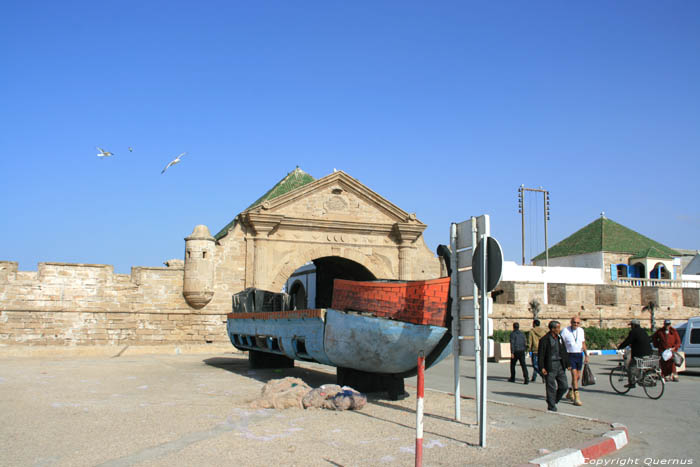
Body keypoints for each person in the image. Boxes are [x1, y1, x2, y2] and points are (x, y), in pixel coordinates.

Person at [538, 320, 571, 412]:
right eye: (557, 328)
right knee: (551, 387)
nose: (559, 330)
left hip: (560, 365)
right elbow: (541, 355)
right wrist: (542, 367)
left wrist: (568, 363)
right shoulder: (544, 340)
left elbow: (564, 351)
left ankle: (553, 400)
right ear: (552, 329)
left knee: (564, 386)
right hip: (550, 365)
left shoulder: (560, 338)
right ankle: (551, 406)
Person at [560, 317, 588, 406]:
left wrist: (586, 355)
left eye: (577, 323)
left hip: (579, 355)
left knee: (578, 376)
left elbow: (583, 343)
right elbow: (561, 344)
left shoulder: (581, 331)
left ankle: (570, 392)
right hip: (570, 355)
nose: (576, 324)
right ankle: (577, 397)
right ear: (571, 322)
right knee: (574, 375)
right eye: (574, 322)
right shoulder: (565, 331)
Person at [617, 319, 653, 388]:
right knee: (638, 366)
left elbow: (628, 341)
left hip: (639, 354)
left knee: (631, 367)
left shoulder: (633, 332)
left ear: (633, 325)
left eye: (631, 325)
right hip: (648, 353)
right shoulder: (643, 331)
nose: (631, 327)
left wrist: (620, 346)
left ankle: (632, 383)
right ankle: (640, 379)